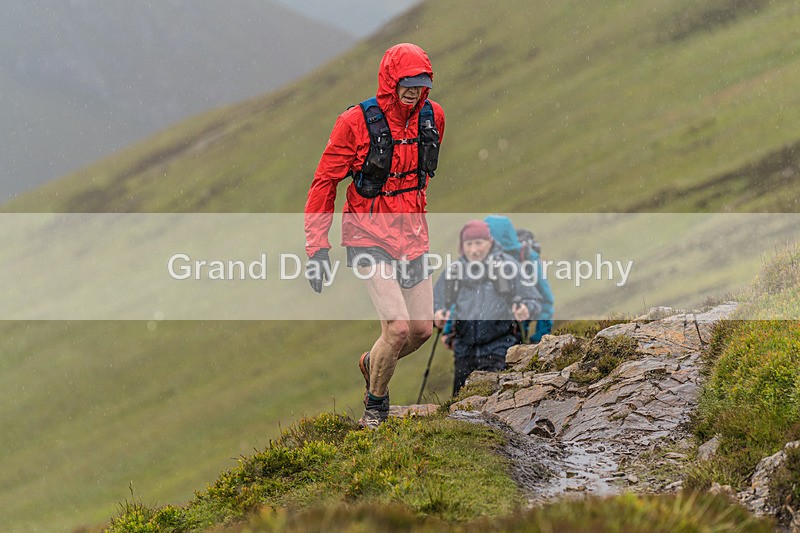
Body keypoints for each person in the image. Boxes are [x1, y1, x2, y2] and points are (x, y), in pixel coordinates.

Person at [304, 43, 446, 429]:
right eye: (407, 84)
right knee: (396, 328)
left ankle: (372, 361)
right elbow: (324, 183)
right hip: (366, 234)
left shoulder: (434, 118)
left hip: (412, 235)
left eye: (421, 84)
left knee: (420, 330)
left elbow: (419, 179)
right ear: (390, 82)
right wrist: (317, 248)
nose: (413, 92)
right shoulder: (354, 123)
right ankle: (376, 407)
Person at [433, 220, 541, 395]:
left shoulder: (508, 266)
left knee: (494, 401)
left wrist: (526, 308)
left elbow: (534, 300)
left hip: (500, 349)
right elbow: (435, 301)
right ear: (462, 246)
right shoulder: (454, 271)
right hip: (464, 353)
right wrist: (437, 313)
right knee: (459, 405)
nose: (474, 250)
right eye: (469, 244)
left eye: (478, 243)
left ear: (490, 242)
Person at [484, 215, 555, 343]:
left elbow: (546, 300)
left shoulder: (527, 259)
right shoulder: (484, 260)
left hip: (515, 329)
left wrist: (539, 338)